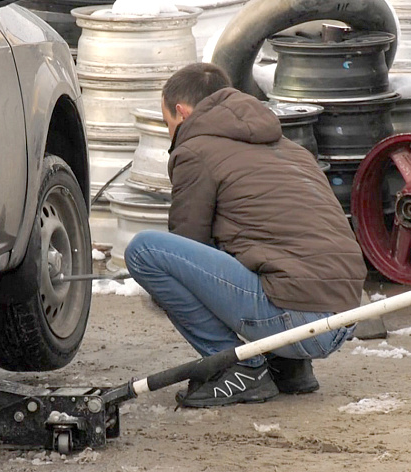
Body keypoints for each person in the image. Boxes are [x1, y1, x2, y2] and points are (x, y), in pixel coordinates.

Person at [124, 63, 367, 408]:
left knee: (145, 251)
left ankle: (242, 371)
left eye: (167, 124)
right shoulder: (289, 148)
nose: (170, 134)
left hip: (298, 316)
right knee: (260, 242)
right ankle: (290, 368)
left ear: (181, 112)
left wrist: (165, 295)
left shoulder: (195, 150)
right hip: (341, 317)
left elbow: (188, 243)